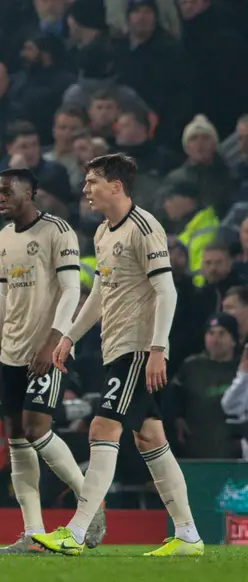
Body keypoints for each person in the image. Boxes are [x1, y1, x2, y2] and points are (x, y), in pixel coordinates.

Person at [34, 153, 204, 557]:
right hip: (117, 347)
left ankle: (76, 532)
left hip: (138, 347)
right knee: (149, 437)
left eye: (92, 181)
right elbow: (99, 295)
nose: (85, 188)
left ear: (116, 186)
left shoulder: (145, 228)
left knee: (101, 429)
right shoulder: (103, 232)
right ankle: (188, 536)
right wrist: (69, 337)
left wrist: (158, 349)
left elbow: (168, 291)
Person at [0, 168, 105, 554]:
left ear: (29, 192)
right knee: (18, 440)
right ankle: (33, 533)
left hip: (45, 350)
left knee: (38, 430)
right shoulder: (4, 238)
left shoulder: (58, 231)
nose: (0, 198)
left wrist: (54, 340)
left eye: (7, 191)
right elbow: (5, 296)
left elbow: (73, 290)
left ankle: (90, 502)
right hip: (10, 353)